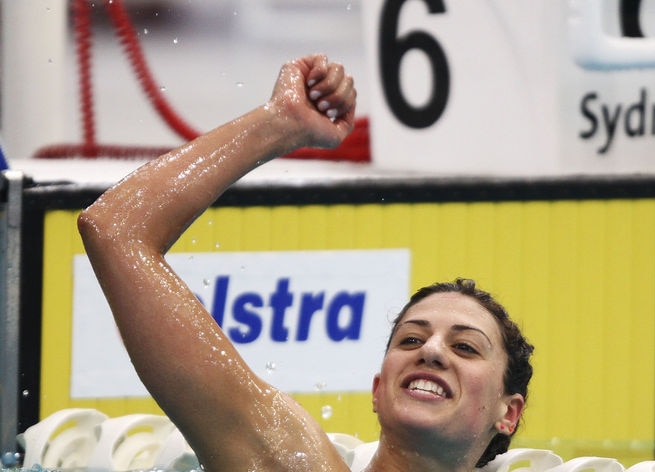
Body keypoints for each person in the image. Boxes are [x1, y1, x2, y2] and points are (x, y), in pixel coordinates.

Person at [78, 54, 534, 472]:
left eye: (466, 347)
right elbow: (116, 229)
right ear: (378, 391)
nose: (430, 351)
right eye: (411, 339)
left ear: (508, 413)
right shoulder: (288, 459)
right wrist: (281, 123)